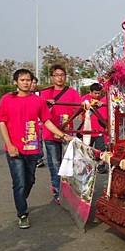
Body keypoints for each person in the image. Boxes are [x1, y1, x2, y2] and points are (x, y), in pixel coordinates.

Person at [0, 69, 73, 229]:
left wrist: (63, 135)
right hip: (15, 149)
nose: (26, 82)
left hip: (32, 149)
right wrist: (9, 145)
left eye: (28, 80)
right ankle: (22, 214)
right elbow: (2, 122)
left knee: (29, 180)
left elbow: (46, 121)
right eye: (22, 80)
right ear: (16, 82)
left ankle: (20, 200)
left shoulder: (38, 101)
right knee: (19, 182)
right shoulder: (7, 99)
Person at [39, 64, 81, 204]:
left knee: (69, 163)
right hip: (50, 135)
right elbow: (37, 111)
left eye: (62, 75)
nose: (60, 78)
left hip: (67, 134)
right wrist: (46, 104)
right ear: (52, 77)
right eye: (57, 75)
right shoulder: (44, 93)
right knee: (55, 164)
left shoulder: (72, 93)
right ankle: (57, 190)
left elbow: (80, 109)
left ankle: (69, 190)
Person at [80, 83, 108, 173]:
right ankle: (86, 166)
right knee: (86, 149)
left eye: (99, 93)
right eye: (95, 93)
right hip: (87, 130)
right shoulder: (85, 99)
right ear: (90, 92)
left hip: (100, 130)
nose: (97, 95)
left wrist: (102, 104)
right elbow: (81, 105)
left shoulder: (103, 101)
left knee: (101, 149)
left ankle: (100, 167)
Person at [30, 76, 45, 168]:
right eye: (32, 82)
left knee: (38, 140)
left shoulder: (40, 94)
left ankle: (39, 159)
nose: (33, 84)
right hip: (29, 122)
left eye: (35, 83)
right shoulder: (22, 94)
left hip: (39, 122)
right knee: (32, 140)